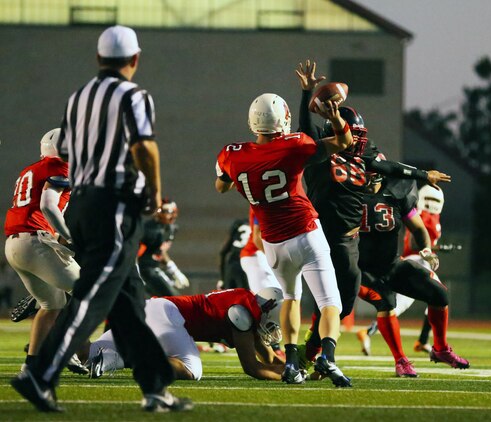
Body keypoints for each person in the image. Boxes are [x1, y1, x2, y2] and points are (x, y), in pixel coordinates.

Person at [11, 25, 192, 413]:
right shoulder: (133, 94)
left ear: (98, 59)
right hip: (114, 204)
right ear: (135, 59)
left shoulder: (78, 98)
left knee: (129, 302)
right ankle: (40, 374)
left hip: (82, 205)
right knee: (94, 295)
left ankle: (155, 387)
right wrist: (154, 195)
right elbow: (144, 147)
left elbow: (74, 155)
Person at [295, 60, 451, 363]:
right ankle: (311, 355)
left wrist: (423, 175)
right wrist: (306, 93)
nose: (360, 138)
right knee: (330, 301)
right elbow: (306, 129)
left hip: (347, 243)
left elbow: (389, 166)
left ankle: (309, 353)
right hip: (322, 239)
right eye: (353, 132)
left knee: (342, 304)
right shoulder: (317, 155)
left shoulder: (362, 158)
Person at [215, 90, 353, 387]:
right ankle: (327, 356)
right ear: (283, 120)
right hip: (304, 232)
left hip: (274, 243)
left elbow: (220, 186)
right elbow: (344, 142)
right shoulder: (295, 146)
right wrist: (335, 117)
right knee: (331, 303)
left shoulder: (231, 154)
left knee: (291, 298)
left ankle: (291, 363)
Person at [356, 171, 469, 373]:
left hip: (392, 263)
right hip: (359, 268)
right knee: (384, 301)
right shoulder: (349, 197)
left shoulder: (397, 194)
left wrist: (427, 250)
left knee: (439, 294)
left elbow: (418, 230)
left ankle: (440, 349)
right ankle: (400, 360)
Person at [4, 128, 85, 374]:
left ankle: (31, 366)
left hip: (14, 245)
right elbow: (48, 205)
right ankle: (65, 349)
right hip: (36, 242)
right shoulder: (59, 168)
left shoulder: (29, 170)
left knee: (52, 304)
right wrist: (69, 236)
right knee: (92, 291)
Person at [83, 287, 285, 381]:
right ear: (266, 311)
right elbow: (253, 368)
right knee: (191, 370)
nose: (273, 329)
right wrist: (288, 377)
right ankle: (124, 358)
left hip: (153, 307)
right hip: (170, 317)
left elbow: (269, 360)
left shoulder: (247, 306)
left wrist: (295, 368)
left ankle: (58, 335)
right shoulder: (243, 313)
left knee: (89, 353)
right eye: (273, 324)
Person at [357, 185, 445, 355]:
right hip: (417, 261)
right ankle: (367, 332)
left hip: (418, 261)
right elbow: (414, 242)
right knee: (405, 304)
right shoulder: (425, 216)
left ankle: (422, 341)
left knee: (436, 298)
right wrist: (434, 248)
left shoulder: (428, 215)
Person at [138, 199, 189, 297]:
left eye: (173, 212)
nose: (172, 215)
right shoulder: (150, 230)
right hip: (145, 270)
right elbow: (136, 251)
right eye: (169, 212)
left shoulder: (170, 229)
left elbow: (160, 251)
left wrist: (174, 270)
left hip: (153, 268)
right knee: (174, 299)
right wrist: (135, 271)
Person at [240, 207, 283, 293]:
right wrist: (275, 260)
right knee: (269, 300)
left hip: (264, 255)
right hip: (256, 255)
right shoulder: (262, 203)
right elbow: (257, 238)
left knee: (286, 299)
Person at [218, 217, 250, 290]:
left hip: (231, 265)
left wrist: (222, 278)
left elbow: (223, 252)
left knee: (229, 297)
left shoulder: (238, 224)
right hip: (246, 265)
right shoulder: (256, 225)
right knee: (246, 297)